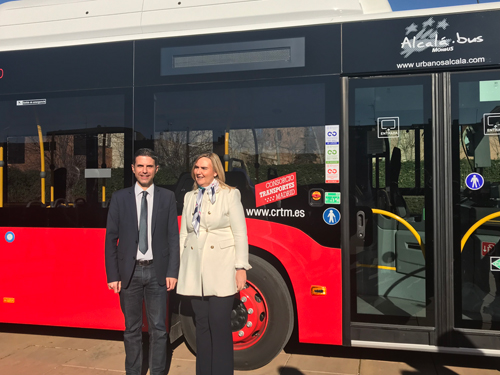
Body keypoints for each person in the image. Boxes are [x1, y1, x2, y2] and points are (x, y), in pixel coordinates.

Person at [105, 148, 180, 375]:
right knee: (132, 329)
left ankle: (157, 371)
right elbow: (111, 238)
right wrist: (113, 275)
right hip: (130, 273)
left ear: (156, 169)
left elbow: (173, 238)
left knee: (159, 329)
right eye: (140, 166)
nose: (144, 171)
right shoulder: (119, 198)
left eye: (149, 166)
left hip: (158, 273)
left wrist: (172, 271)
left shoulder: (167, 197)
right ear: (133, 169)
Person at [177, 153, 251, 375]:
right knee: (202, 326)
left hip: (221, 269)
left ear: (216, 171)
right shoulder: (190, 197)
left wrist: (241, 268)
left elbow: (240, 233)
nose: (198, 172)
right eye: (196, 167)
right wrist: (182, 268)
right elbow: (184, 235)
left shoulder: (230, 195)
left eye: (204, 168)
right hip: (195, 271)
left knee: (219, 324)